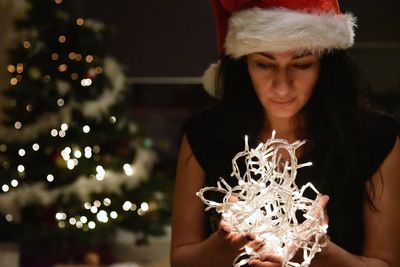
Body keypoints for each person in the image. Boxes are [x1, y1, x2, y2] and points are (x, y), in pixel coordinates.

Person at [170, 0, 400, 266]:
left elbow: (387, 262)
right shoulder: (205, 134)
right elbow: (181, 259)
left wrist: (321, 254)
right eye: (265, 64)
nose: (282, 87)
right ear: (244, 63)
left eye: (301, 64)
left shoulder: (374, 138)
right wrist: (223, 246)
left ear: (325, 65)